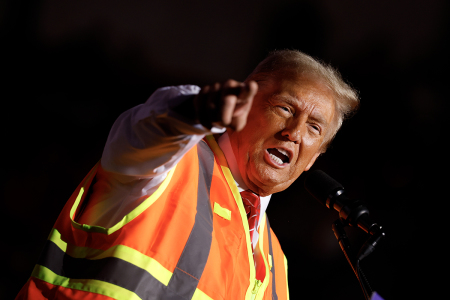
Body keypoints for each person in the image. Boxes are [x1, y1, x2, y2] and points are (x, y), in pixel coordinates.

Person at [16, 50, 359, 300]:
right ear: (245, 102)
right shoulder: (169, 164)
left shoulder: (276, 265)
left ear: (316, 157)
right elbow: (148, 129)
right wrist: (195, 110)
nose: (295, 132)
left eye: (314, 127)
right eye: (285, 108)